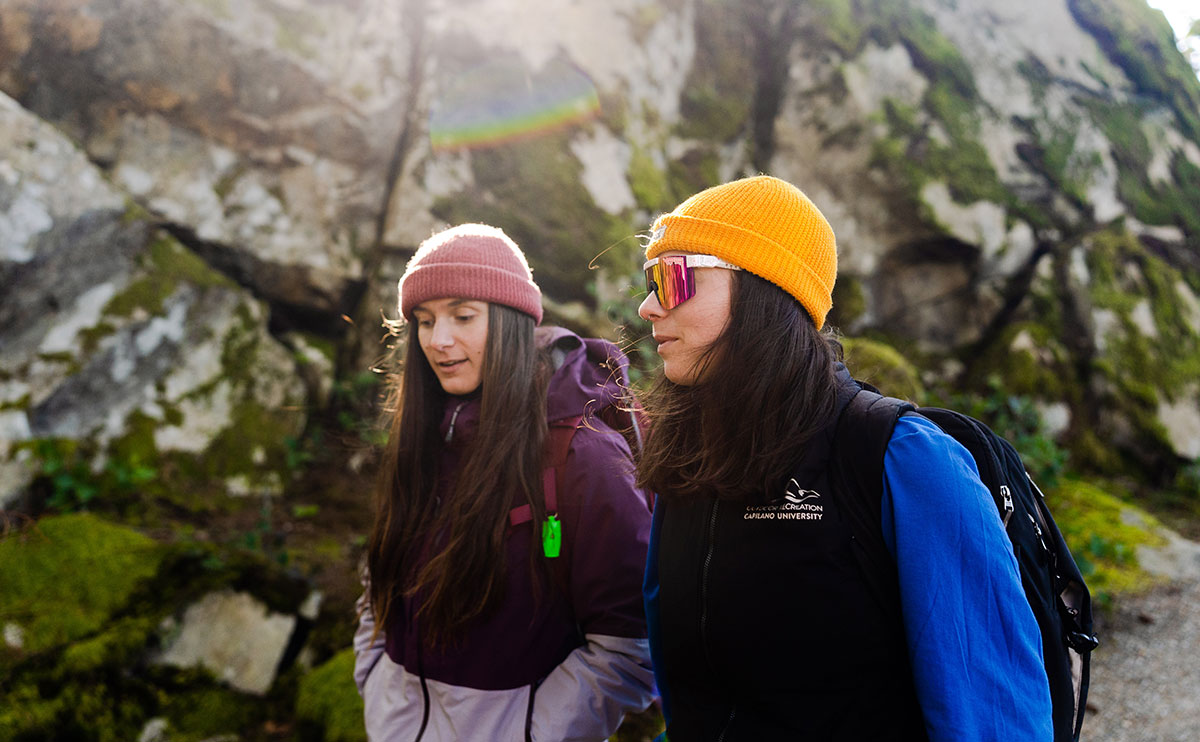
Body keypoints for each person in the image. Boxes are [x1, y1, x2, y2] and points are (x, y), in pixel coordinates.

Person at [635, 176, 1053, 741]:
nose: (646, 305)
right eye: (648, 280)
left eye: (673, 276)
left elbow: (993, 714)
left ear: (765, 289)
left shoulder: (899, 457)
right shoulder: (691, 459)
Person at [353, 223, 655, 741]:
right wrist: (377, 685)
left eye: (462, 316)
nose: (438, 340)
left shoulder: (582, 457)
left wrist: (528, 734)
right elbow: (377, 584)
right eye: (424, 322)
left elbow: (631, 646)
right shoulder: (427, 434)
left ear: (515, 320)